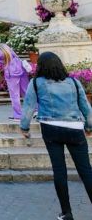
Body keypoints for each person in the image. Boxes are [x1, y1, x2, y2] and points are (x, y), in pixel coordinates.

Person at [20, 52, 92, 220]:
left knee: (59, 171)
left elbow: (28, 107)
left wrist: (24, 127)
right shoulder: (74, 82)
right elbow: (87, 108)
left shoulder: (36, 83)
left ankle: (67, 213)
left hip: (51, 129)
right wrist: (89, 127)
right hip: (74, 128)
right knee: (86, 171)